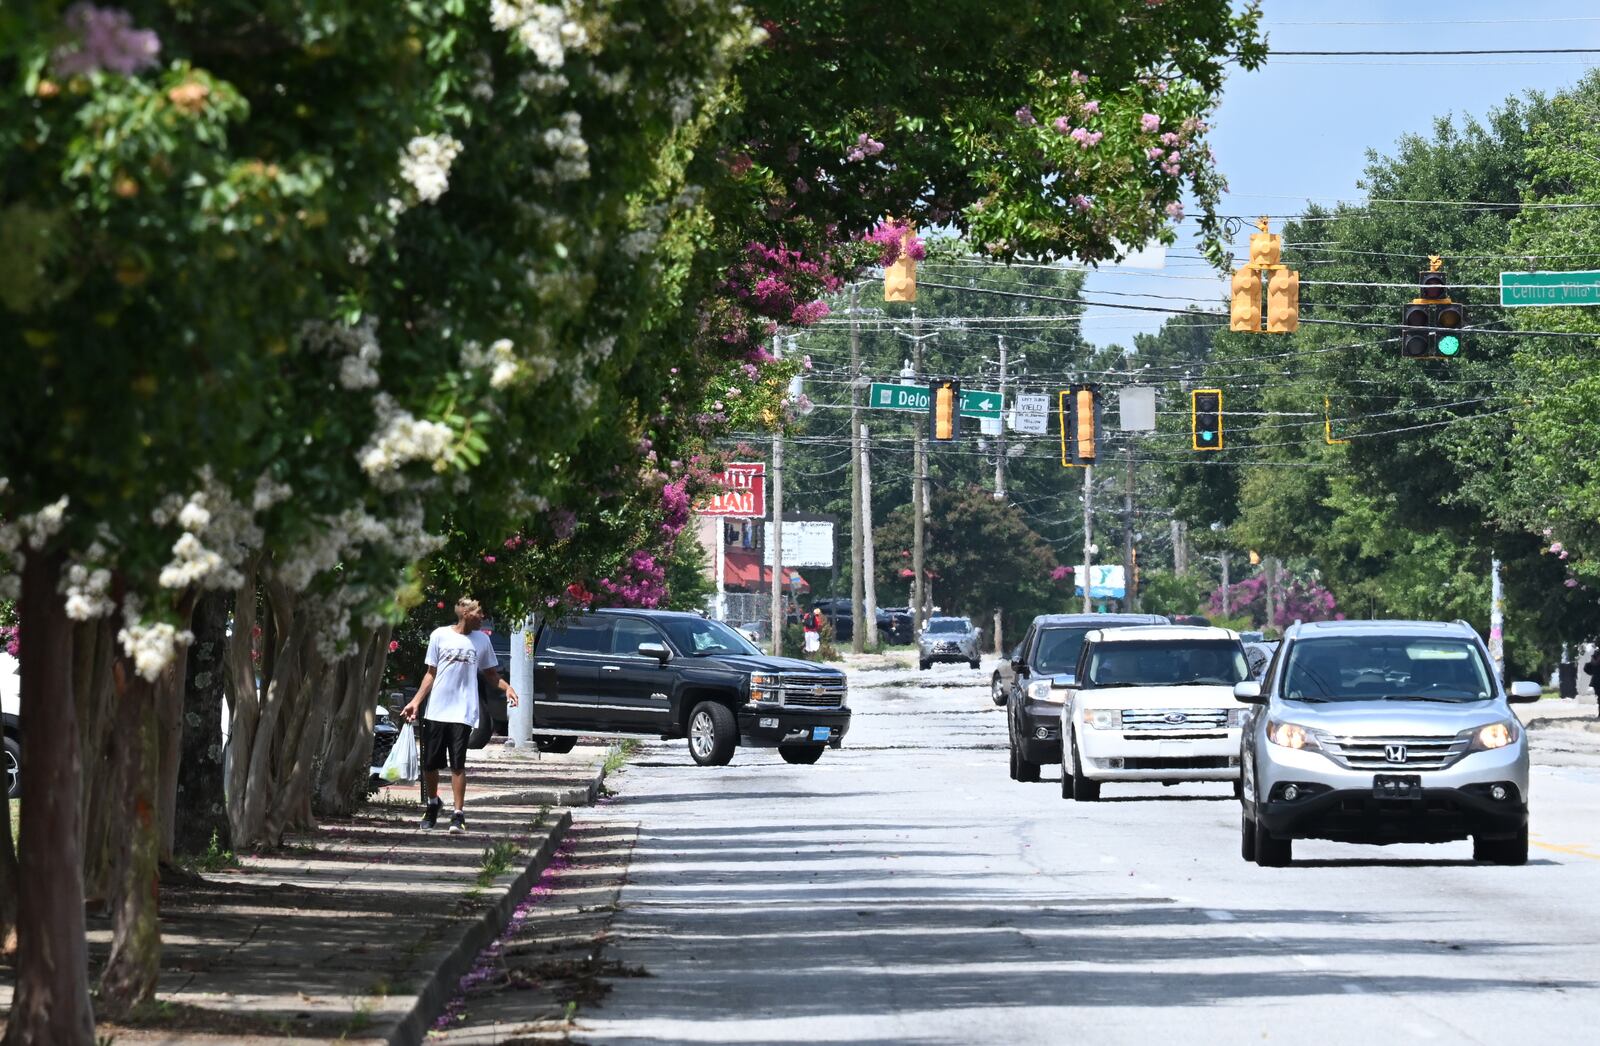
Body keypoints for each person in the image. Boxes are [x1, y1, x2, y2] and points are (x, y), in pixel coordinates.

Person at [402, 597, 519, 833]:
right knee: (430, 763)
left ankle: (458, 814)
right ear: (466, 613)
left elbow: (490, 674)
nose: (483, 617)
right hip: (437, 709)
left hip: (463, 711)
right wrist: (416, 702)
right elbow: (430, 673)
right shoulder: (439, 636)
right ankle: (433, 804)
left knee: (458, 763)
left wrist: (508, 688)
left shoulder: (482, 641)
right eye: (479, 612)